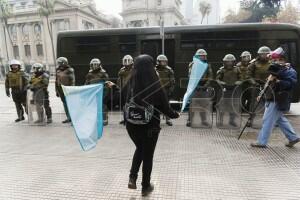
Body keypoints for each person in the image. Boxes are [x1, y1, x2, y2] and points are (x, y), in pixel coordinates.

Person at [107, 55, 179, 196]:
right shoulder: (155, 84)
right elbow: (166, 109)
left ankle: (132, 177)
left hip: (131, 126)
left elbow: (118, 99)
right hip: (150, 127)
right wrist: (175, 115)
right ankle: (145, 186)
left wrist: (113, 87)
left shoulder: (131, 83)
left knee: (140, 148)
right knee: (147, 155)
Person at [251, 52, 300, 148]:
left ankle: (262, 141)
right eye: (274, 60)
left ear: (283, 60)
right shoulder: (276, 69)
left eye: (278, 60)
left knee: (267, 120)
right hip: (270, 98)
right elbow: (268, 83)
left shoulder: (289, 71)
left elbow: (290, 84)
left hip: (278, 99)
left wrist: (278, 81)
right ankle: (293, 137)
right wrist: (261, 94)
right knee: (280, 120)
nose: (275, 61)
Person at [186, 49, 213, 127]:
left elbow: (210, 76)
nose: (203, 57)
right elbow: (191, 75)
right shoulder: (192, 64)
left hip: (204, 87)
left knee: (203, 105)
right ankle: (190, 120)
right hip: (195, 87)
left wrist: (205, 85)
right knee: (192, 105)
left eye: (204, 56)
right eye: (201, 56)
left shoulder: (208, 65)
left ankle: (203, 120)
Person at [247, 46, 272, 126]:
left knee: (270, 102)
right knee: (253, 103)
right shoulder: (254, 63)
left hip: (269, 84)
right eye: (262, 54)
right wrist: (253, 82)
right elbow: (248, 75)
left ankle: (273, 120)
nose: (264, 56)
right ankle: (250, 119)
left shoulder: (272, 62)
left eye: (266, 54)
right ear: (259, 54)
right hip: (256, 84)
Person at [216, 54, 241, 127]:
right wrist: (222, 83)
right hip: (224, 90)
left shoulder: (237, 69)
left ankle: (232, 121)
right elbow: (217, 79)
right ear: (225, 62)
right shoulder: (221, 70)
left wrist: (238, 82)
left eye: (231, 62)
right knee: (222, 106)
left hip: (234, 90)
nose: (229, 63)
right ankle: (221, 121)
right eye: (228, 62)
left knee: (233, 106)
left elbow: (241, 78)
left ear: (233, 62)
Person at [85, 58, 109, 125]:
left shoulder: (103, 73)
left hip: (101, 92)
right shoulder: (89, 74)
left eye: (96, 65)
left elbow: (107, 84)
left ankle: (104, 119)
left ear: (99, 65)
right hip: (92, 93)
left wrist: (106, 93)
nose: (94, 66)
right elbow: (87, 83)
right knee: (93, 107)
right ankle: (96, 119)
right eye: (93, 65)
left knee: (102, 106)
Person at [155, 54, 175, 126]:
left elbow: (172, 82)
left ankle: (168, 119)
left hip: (166, 90)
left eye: (165, 61)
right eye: (162, 62)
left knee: (167, 105)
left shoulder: (169, 70)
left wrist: (170, 90)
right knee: (156, 105)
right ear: (158, 62)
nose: (164, 63)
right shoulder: (154, 70)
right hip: (157, 90)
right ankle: (156, 119)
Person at [55, 57, 75, 123]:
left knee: (69, 104)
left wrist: (71, 89)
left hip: (67, 88)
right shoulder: (58, 70)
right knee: (64, 103)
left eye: (60, 63)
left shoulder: (69, 70)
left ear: (63, 63)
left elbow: (72, 80)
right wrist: (56, 90)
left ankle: (72, 117)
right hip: (60, 89)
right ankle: (68, 117)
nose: (58, 64)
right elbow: (56, 81)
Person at [117, 55, 134, 125]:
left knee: (131, 105)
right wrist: (119, 88)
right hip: (124, 90)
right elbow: (119, 80)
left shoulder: (134, 69)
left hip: (132, 90)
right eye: (125, 61)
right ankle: (125, 119)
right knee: (124, 105)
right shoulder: (121, 70)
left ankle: (131, 119)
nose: (127, 62)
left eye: (128, 61)